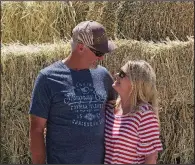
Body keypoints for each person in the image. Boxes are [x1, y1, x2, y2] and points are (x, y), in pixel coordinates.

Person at [29, 20, 117, 164]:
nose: (101, 58)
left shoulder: (104, 75)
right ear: (81, 48)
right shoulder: (48, 78)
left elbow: (116, 113)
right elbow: (36, 130)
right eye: (98, 52)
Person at [104, 60, 163, 164]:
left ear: (135, 83)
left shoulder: (144, 115)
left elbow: (151, 158)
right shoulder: (109, 108)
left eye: (122, 74)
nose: (116, 75)